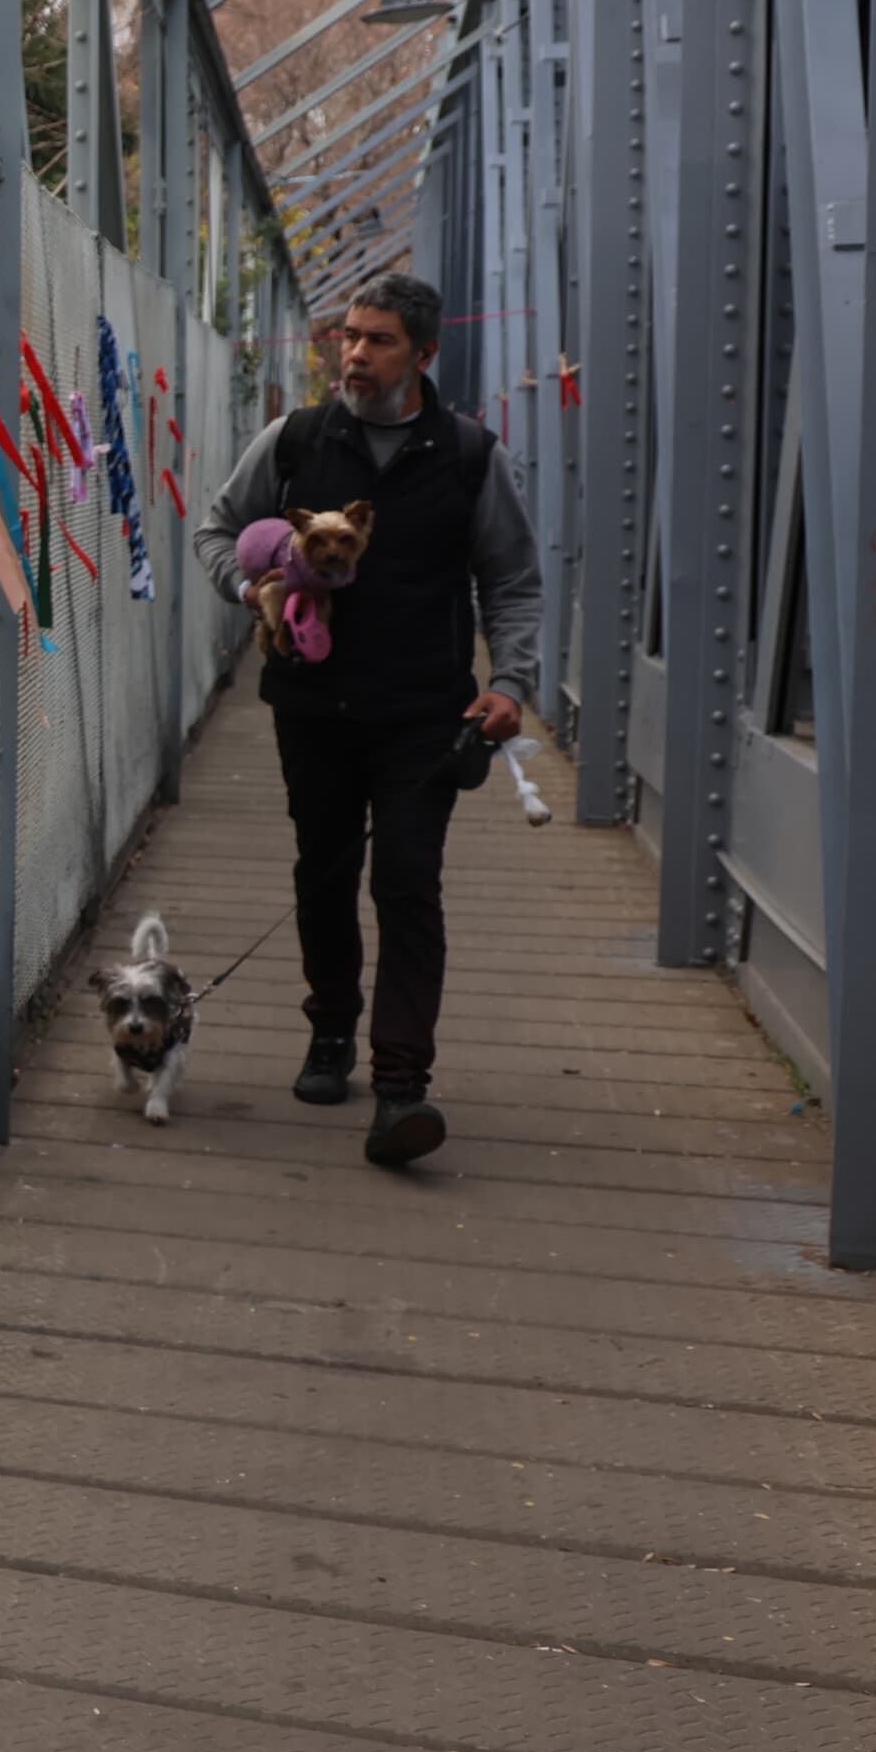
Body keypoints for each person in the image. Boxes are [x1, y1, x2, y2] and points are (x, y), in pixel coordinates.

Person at [191, 274, 539, 1166]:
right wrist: (249, 586)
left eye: (378, 340)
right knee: (325, 871)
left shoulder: (468, 455)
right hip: (314, 708)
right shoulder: (298, 440)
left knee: (408, 883)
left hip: (429, 713)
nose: (353, 354)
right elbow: (217, 529)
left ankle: (400, 1084)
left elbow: (511, 578)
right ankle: (331, 1030)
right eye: (348, 336)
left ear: (424, 355)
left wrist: (513, 680)